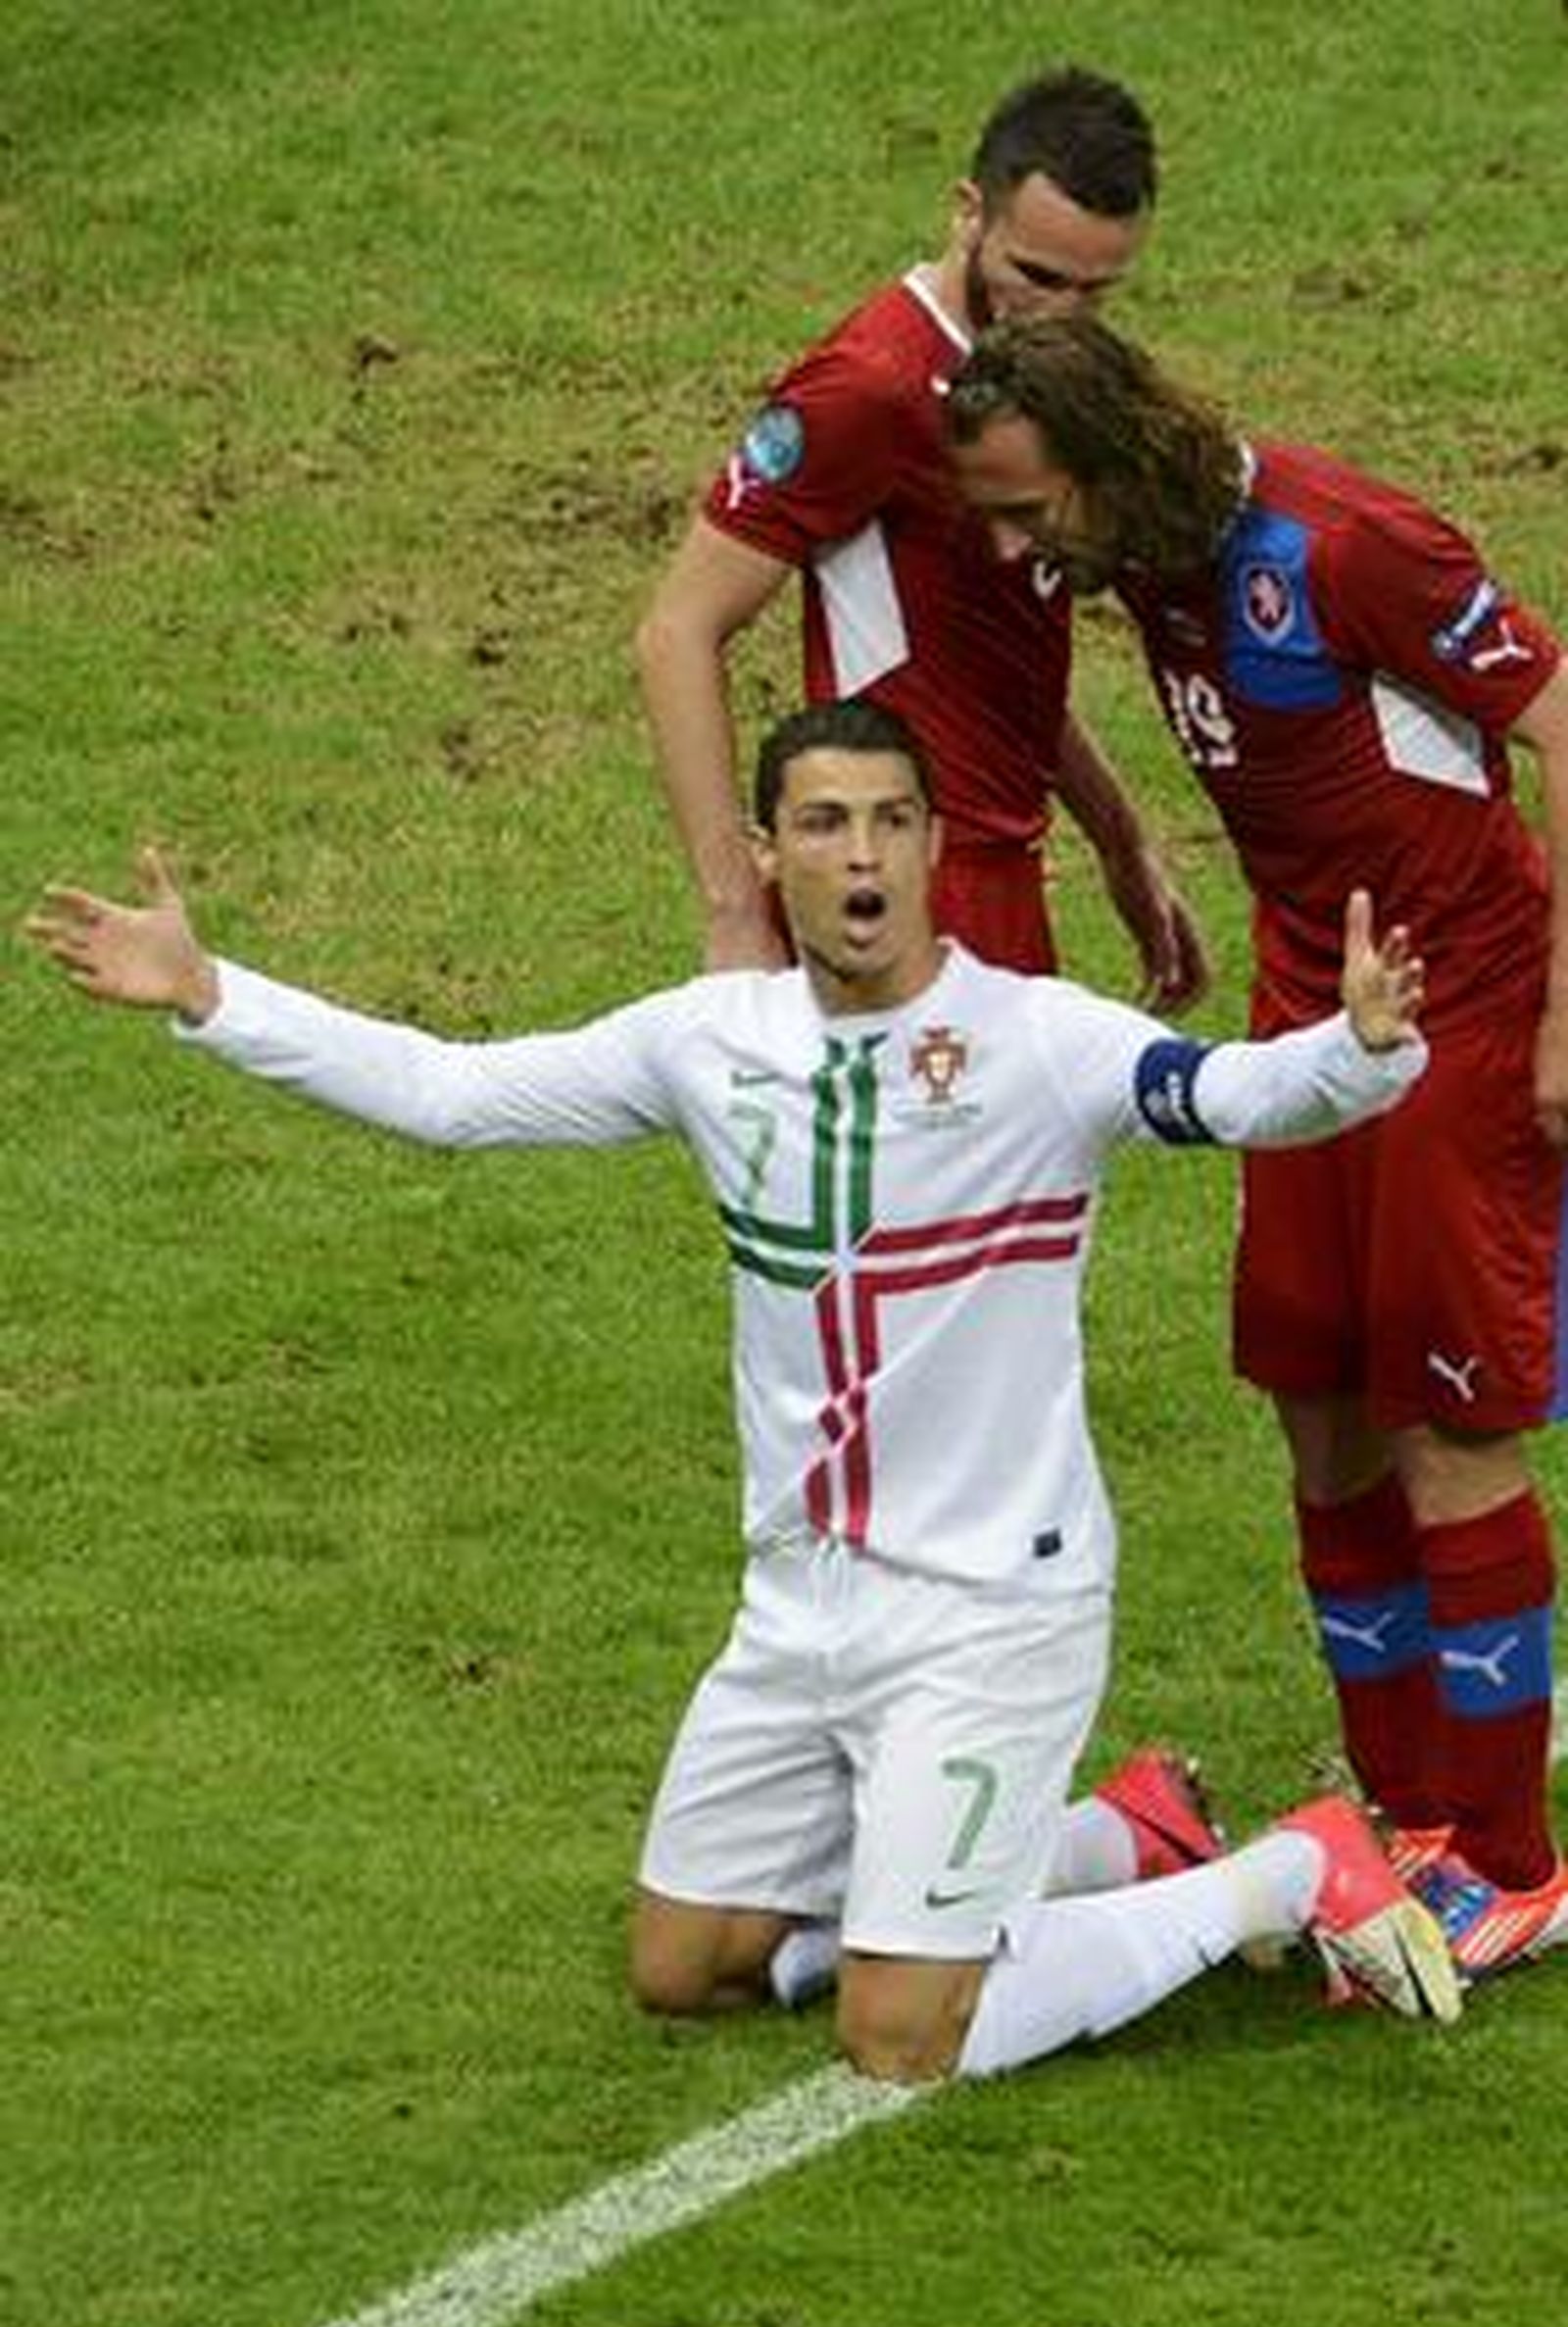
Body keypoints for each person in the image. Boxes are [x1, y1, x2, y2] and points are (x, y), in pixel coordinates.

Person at [25, 698, 1459, 2077]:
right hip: (797, 1608)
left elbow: (1227, 1092)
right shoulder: (713, 1044)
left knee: (905, 2039)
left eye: (892, 822)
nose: (862, 856)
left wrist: (1359, 1050)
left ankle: (1284, 1870)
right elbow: (454, 1094)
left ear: (933, 845)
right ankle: (1116, 1834)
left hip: (989, 1614)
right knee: (686, 1965)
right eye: (826, 824)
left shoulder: (1036, 1042)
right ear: (767, 855)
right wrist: (215, 994)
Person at [945, 314, 1568, 1982]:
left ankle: (1513, 1861)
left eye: (1026, 510)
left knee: (1448, 1420)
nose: (1018, 549)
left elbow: (1562, 717)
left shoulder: (1350, 545)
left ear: (1112, 453)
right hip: (1313, 1019)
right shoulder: (1152, 559)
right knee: (1319, 1402)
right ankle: (1412, 1809)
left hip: (1466, 1007)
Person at [635, 65, 1205, 1005]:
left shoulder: (1035, 391)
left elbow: (992, 650)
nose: (1060, 313)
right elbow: (674, 634)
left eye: (1096, 292)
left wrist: (1119, 835)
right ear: (968, 212)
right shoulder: (873, 386)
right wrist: (735, 913)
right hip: (903, 882)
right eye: (1036, 276)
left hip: (998, 873)